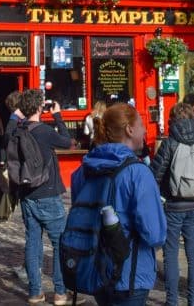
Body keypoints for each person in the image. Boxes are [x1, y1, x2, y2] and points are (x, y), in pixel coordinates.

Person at [70, 102, 166, 305]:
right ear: (130, 130)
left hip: (97, 271)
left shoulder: (83, 170)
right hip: (131, 275)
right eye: (141, 125)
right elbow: (155, 234)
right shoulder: (138, 173)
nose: (145, 130)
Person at [8, 89, 72, 305]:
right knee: (59, 243)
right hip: (48, 194)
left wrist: (15, 116)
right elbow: (67, 142)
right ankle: (60, 292)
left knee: (33, 242)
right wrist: (58, 116)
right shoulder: (45, 131)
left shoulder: (17, 130)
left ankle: (35, 292)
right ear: (39, 107)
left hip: (27, 195)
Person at [150, 101, 194, 306]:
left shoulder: (169, 143)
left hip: (173, 205)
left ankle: (172, 301)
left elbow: (155, 175)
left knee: (170, 254)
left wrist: (161, 196)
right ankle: (193, 301)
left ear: (173, 120)